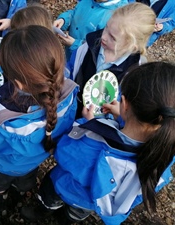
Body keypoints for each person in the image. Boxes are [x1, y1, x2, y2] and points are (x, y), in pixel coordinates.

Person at [21, 61, 175, 225]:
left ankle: (44, 209)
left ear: (124, 103)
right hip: (90, 204)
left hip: (65, 188)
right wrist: (122, 117)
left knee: (49, 197)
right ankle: (65, 220)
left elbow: (63, 153)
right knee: (74, 214)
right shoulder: (165, 154)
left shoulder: (92, 139)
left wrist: (90, 123)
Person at [0, 25, 79, 216]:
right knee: (25, 179)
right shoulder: (69, 93)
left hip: (1, 166)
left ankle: (0, 197)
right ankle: (24, 188)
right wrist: (4, 67)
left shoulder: (1, 116)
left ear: (18, 81)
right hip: (32, 163)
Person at [67, 2, 156, 118]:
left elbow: (130, 119)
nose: (103, 37)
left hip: (98, 129)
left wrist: (96, 122)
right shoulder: (87, 47)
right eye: (106, 28)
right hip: (70, 112)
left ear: (132, 46)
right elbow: (69, 71)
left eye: (113, 38)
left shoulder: (135, 75)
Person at [53, 0, 128, 60]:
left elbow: (101, 48)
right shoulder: (87, 1)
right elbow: (75, 12)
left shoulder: (119, 14)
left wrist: (75, 44)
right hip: (70, 56)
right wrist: (64, 20)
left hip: (85, 64)